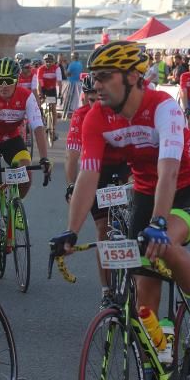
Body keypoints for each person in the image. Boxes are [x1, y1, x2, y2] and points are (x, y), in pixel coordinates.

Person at [50, 40, 190, 364]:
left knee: (164, 242)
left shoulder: (163, 107)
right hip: (145, 191)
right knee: (143, 287)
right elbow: (87, 176)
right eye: (93, 77)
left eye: (103, 76)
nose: (95, 84)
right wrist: (71, 231)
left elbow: (168, 171)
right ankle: (157, 370)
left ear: (131, 77)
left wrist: (157, 222)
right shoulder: (96, 118)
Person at [0, 58, 51, 273]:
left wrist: (44, 158)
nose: (4, 85)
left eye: (9, 80)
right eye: (0, 80)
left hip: (11, 141)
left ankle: (15, 204)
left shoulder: (26, 97)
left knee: (25, 169)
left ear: (17, 80)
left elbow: (38, 127)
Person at [63, 75, 131, 305]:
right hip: (97, 170)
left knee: (135, 224)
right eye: (89, 99)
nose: (94, 104)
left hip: (125, 167)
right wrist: (72, 185)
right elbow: (72, 156)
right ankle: (106, 290)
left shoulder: (121, 109)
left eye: (97, 98)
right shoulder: (82, 116)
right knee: (103, 229)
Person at [35, 53, 62, 139]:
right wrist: (40, 94)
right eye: (47, 61)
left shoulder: (57, 68)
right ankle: (42, 117)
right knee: (41, 102)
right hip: (43, 88)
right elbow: (39, 84)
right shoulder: (41, 69)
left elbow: (59, 82)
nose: (49, 63)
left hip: (52, 89)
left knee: (53, 108)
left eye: (50, 61)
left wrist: (60, 93)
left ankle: (53, 129)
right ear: (44, 61)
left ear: (53, 62)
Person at [63, 51, 84, 115]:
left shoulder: (72, 64)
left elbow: (67, 74)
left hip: (71, 83)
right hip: (78, 83)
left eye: (71, 56)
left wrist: (64, 67)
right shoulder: (80, 64)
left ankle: (66, 112)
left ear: (73, 57)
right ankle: (73, 112)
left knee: (68, 98)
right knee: (75, 99)